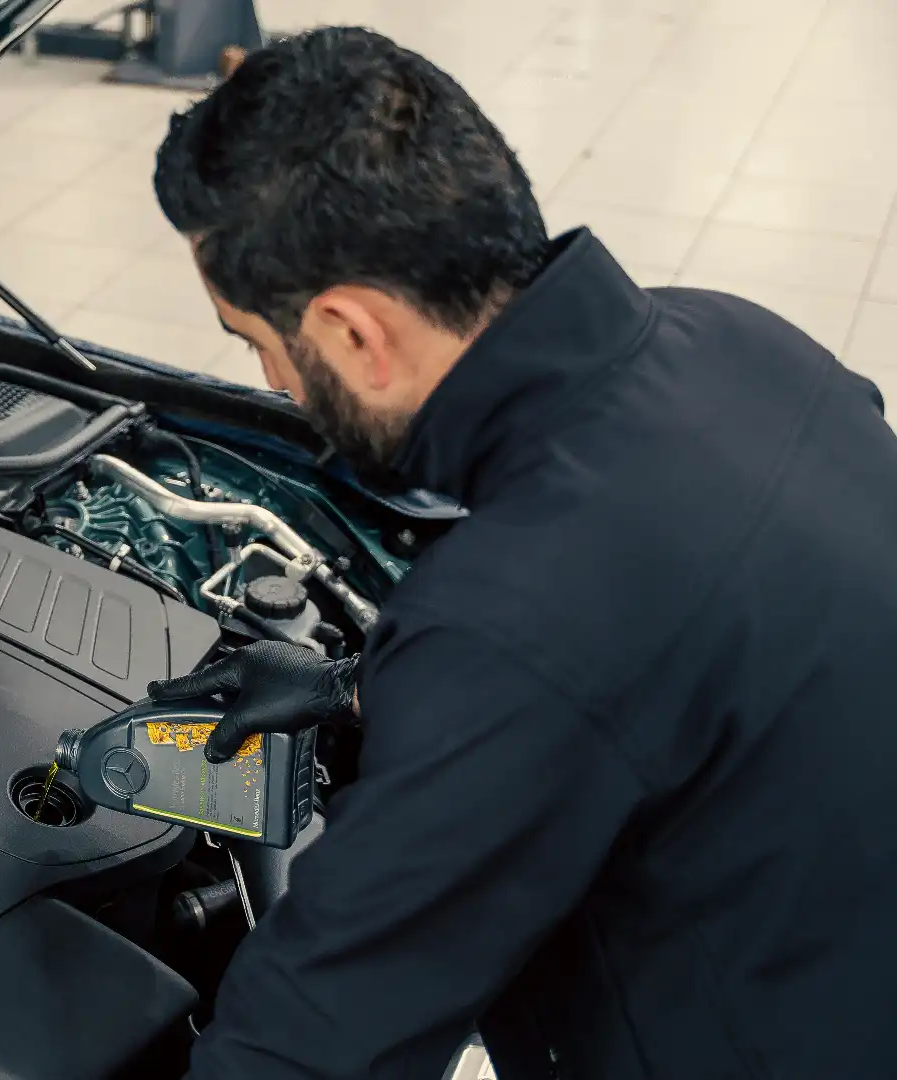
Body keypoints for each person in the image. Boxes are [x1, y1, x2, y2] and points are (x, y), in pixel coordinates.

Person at [145, 25, 897, 1080]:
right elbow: (671, 660)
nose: (273, 384)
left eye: (258, 344)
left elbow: (312, 1043)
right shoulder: (742, 340)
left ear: (353, 333)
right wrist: (358, 689)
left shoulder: (513, 621)